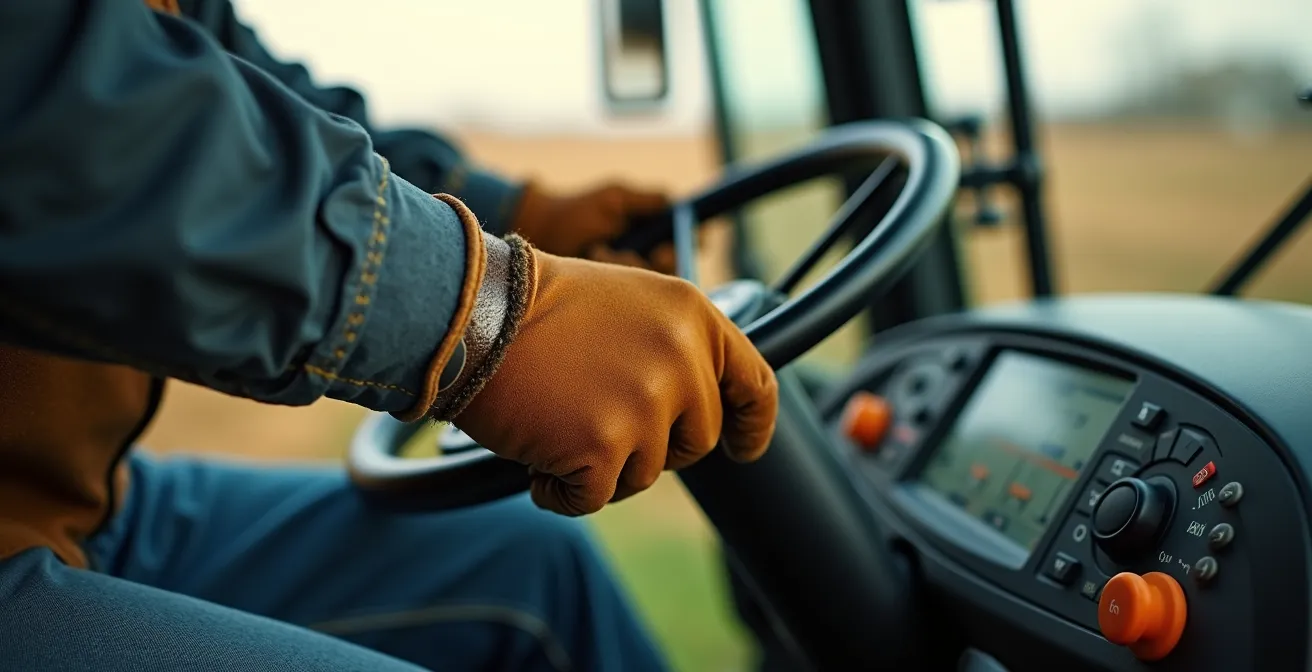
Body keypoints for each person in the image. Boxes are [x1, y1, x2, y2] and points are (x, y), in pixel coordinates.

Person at [0, 1, 780, 670]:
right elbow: (54, 118)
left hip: (79, 500)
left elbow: (216, 72)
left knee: (534, 564)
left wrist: (512, 218)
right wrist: (489, 315)